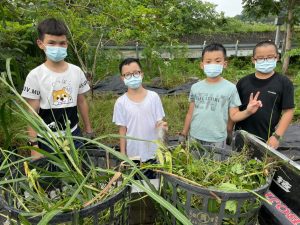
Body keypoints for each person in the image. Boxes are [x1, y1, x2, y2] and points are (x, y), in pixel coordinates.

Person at [21, 18, 93, 158]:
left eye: (62, 43)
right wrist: (34, 146)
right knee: (51, 178)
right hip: (47, 139)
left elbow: (82, 101)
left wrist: (88, 128)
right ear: (40, 44)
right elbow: (32, 113)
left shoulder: (76, 71)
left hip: (74, 135)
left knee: (77, 174)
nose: (57, 47)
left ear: (67, 44)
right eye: (52, 43)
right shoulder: (35, 75)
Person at [181, 43, 262, 149]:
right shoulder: (195, 87)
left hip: (217, 140)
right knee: (194, 164)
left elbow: (234, 116)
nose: (212, 64)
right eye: (208, 61)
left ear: (225, 64)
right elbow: (190, 114)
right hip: (195, 137)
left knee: (215, 165)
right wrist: (184, 133)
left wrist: (248, 111)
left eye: (218, 61)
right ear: (202, 65)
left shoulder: (230, 88)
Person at [234, 41, 294, 149]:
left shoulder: (284, 83)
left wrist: (276, 136)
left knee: (264, 165)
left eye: (270, 57)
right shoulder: (243, 82)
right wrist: (229, 132)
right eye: (261, 58)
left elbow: (288, 111)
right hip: (241, 138)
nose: (265, 60)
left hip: (267, 140)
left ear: (277, 57)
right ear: (253, 60)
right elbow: (234, 111)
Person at [112, 58, 167, 172]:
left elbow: (159, 122)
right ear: (122, 78)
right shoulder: (121, 102)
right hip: (133, 154)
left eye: (135, 73)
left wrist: (163, 127)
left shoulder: (153, 97)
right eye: (127, 75)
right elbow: (122, 130)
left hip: (153, 152)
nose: (132, 77)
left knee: (154, 184)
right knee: (136, 186)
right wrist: (123, 155)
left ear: (141, 74)